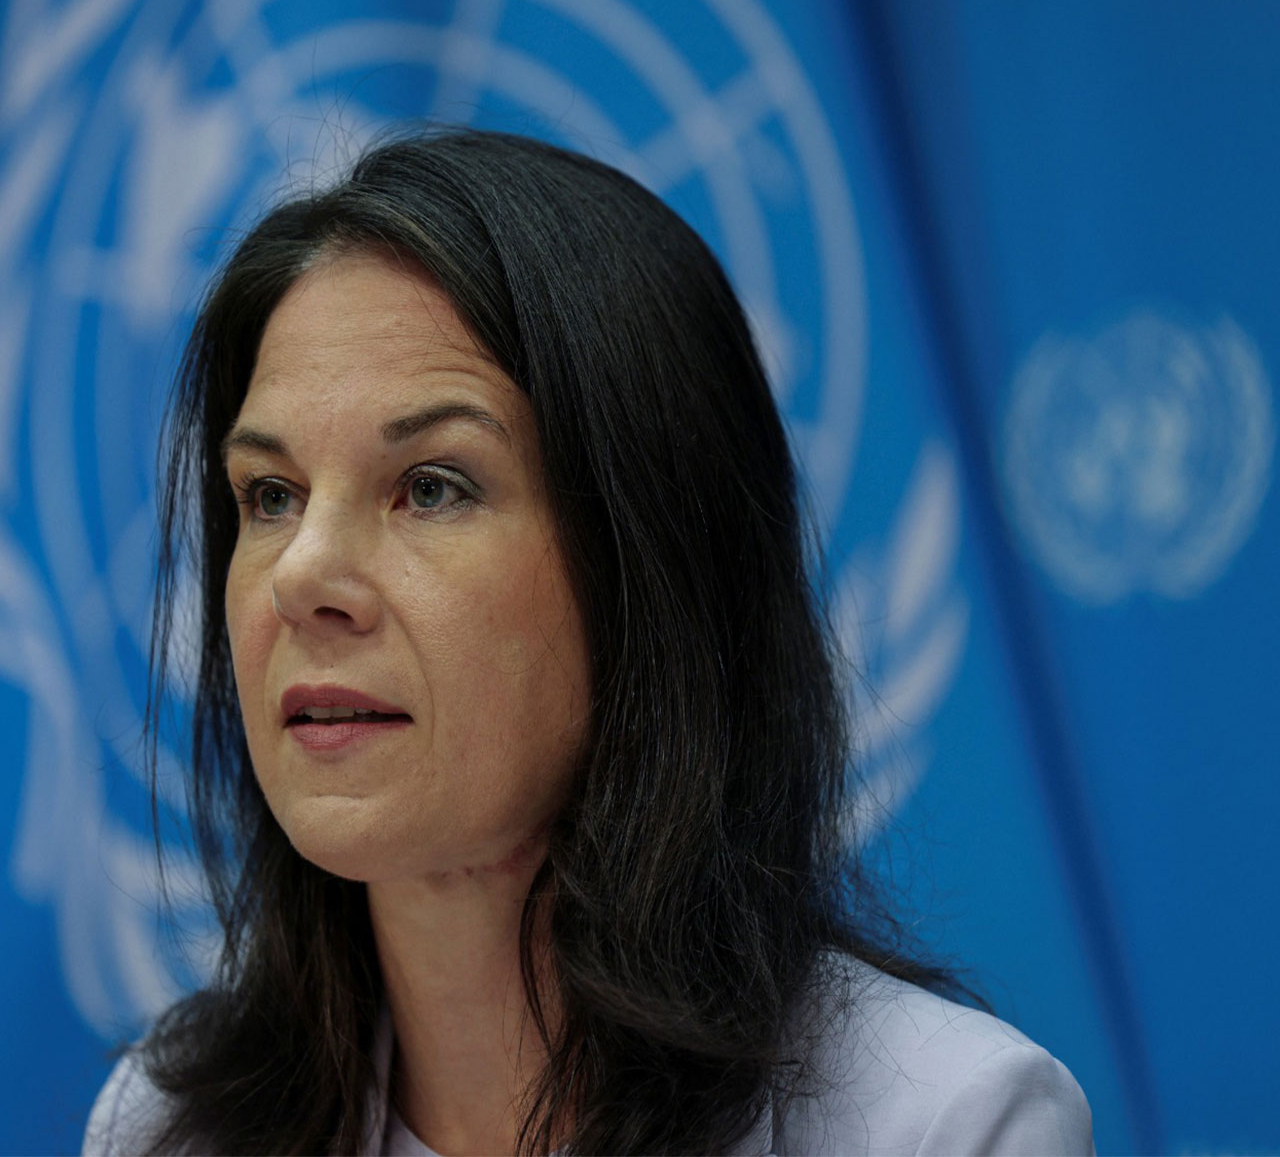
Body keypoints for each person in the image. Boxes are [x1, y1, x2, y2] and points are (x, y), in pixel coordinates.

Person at [83, 129, 1093, 1155]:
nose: (300, 577)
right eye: (270, 495)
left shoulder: (945, 1125)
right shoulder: (165, 1131)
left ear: (651, 570)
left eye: (431, 486)